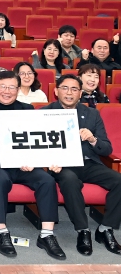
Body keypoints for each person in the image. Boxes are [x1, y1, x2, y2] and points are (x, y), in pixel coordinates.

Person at [0, 71, 65, 259]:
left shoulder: (26, 109)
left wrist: (30, 159)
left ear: (18, 89)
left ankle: (47, 235)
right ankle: (1, 232)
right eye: (3, 86)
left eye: (12, 87)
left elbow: (34, 139)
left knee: (46, 180)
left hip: (20, 162)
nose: (7, 91)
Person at [43, 74, 121, 255]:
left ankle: (105, 229)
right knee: (70, 180)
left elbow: (106, 148)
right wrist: (48, 162)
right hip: (61, 166)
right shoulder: (44, 113)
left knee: (119, 180)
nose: (69, 93)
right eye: (65, 88)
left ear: (80, 94)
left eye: (74, 89)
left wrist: (93, 140)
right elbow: (37, 146)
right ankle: (83, 230)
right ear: (56, 91)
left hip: (88, 162)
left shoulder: (92, 114)